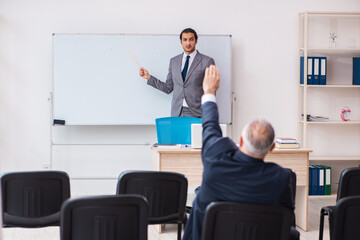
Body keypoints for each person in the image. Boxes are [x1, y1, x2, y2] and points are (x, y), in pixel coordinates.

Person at [182, 65, 300, 240]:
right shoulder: (282, 178)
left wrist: (209, 92)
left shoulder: (216, 162)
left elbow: (210, 126)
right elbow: (286, 218)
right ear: (272, 148)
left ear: (241, 141)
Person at [139, 28, 215, 118]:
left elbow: (211, 90)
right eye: (185, 39)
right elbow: (168, 88)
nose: (188, 43)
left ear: (196, 41)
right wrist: (149, 77)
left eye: (191, 39)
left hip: (197, 113)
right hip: (177, 112)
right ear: (181, 42)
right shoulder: (174, 61)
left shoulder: (207, 61)